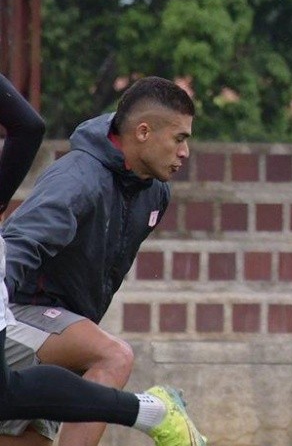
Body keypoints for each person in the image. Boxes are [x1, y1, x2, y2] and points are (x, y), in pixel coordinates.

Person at [0, 72, 206, 446]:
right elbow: (16, 244)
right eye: (179, 139)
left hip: (59, 327)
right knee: (113, 356)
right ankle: (153, 411)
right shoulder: (78, 179)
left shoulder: (155, 193)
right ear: (143, 132)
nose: (184, 153)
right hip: (17, 313)